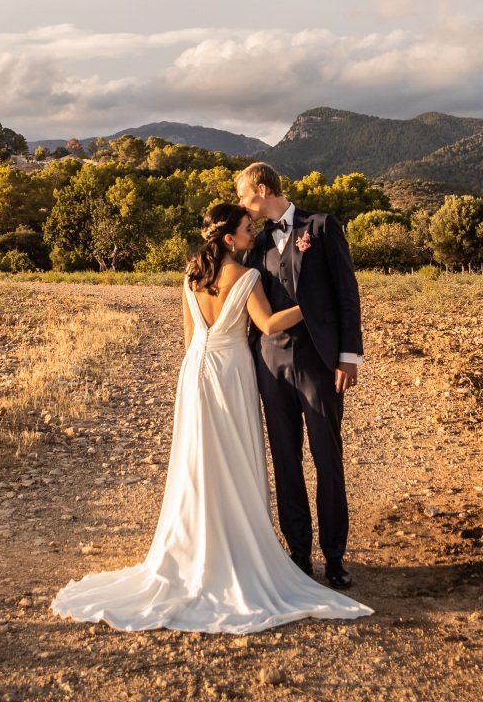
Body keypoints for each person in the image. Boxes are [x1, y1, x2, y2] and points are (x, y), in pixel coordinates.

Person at [50, 202, 373, 633]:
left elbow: (189, 338)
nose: (252, 233)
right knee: (236, 459)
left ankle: (200, 547)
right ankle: (240, 549)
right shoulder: (246, 275)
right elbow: (271, 324)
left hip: (196, 372)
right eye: (245, 229)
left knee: (198, 463)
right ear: (228, 239)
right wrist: (315, 306)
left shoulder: (190, 274)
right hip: (231, 372)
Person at [235, 161, 363, 587]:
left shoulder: (322, 227)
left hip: (318, 361)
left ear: (262, 187)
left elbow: (347, 293)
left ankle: (335, 555)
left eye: (243, 195)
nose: (241, 204)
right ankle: (299, 555)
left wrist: (348, 356)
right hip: (270, 363)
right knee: (285, 461)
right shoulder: (255, 243)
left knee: (328, 458)